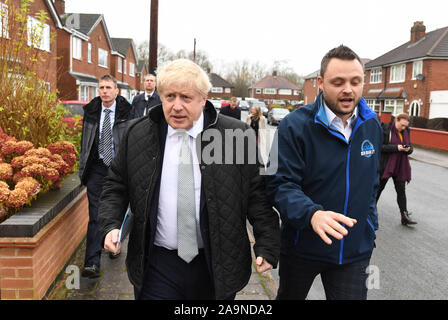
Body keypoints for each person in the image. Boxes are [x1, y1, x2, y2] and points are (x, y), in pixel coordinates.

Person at [97, 59, 280, 300]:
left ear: (204, 100)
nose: (176, 106)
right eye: (170, 96)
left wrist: (266, 242)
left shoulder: (237, 136)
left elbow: (256, 194)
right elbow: (115, 186)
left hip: (216, 264)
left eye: (186, 97)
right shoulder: (137, 134)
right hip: (156, 263)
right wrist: (110, 225)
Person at [266, 45, 382, 300]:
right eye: (338, 82)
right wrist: (312, 214)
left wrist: (369, 227)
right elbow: (279, 184)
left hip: (354, 252)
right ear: (320, 82)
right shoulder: (294, 125)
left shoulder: (372, 125)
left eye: (355, 81)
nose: (348, 90)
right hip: (302, 246)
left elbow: (372, 184)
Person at [78, 74, 132, 278]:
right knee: (95, 214)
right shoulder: (91, 111)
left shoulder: (128, 112)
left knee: (117, 210)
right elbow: (85, 142)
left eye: (109, 87)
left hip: (119, 169)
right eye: (101, 87)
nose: (105, 91)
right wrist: (83, 168)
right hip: (97, 169)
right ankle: (92, 262)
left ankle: (113, 243)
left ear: (116, 90)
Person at [376, 113, 417, 225]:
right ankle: (370, 212)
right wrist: (396, 148)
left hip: (400, 166)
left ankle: (404, 216)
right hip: (387, 164)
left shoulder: (406, 131)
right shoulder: (385, 128)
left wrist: (408, 149)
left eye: (405, 126)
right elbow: (379, 147)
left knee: (401, 191)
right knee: (379, 189)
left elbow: (411, 147)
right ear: (396, 120)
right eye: (402, 125)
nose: (404, 128)